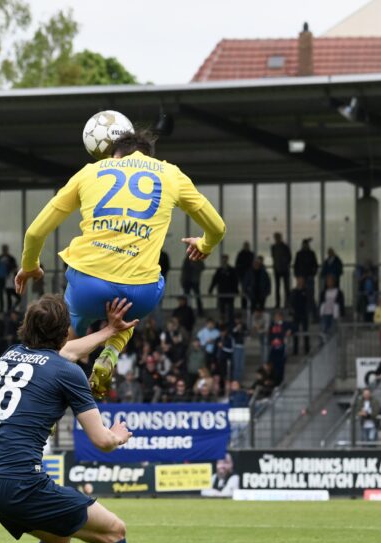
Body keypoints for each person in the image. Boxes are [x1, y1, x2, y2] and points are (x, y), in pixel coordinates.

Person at [0, 294, 160, 543]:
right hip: (20, 483)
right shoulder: (69, 373)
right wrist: (118, 435)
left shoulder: (10, 355)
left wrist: (109, 330)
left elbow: (65, 354)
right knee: (113, 531)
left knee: (58, 538)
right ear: (64, 331)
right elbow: (101, 441)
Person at [14, 129, 225, 399]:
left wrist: (30, 264)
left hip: (87, 285)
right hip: (140, 293)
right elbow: (218, 227)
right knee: (147, 283)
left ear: (114, 154)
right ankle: (110, 354)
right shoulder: (171, 174)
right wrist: (204, 245)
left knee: (67, 334)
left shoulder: (91, 172)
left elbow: (34, 233)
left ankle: (52, 397)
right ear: (148, 154)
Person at [208, 253, 238, 325]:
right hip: (221, 292)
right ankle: (222, 323)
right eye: (223, 259)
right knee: (222, 309)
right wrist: (210, 289)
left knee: (230, 308)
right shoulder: (219, 270)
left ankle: (231, 322)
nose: (224, 261)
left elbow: (235, 281)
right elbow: (214, 280)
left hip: (230, 292)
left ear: (227, 260)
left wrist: (236, 290)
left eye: (225, 259)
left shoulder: (231, 270)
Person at [270, 232, 292, 308]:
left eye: (277, 237)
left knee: (286, 288)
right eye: (276, 237)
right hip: (277, 269)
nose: (276, 239)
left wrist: (283, 263)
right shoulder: (273, 247)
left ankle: (287, 303)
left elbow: (289, 258)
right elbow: (273, 257)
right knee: (277, 288)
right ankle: (278, 304)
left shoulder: (285, 247)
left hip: (284, 269)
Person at [0, 245, 18, 313]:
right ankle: (1, 308)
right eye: (3, 249)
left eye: (5, 249)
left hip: (8, 279)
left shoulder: (10, 258)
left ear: (7, 249)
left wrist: (9, 265)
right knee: (0, 294)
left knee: (8, 294)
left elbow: (14, 267)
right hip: (0, 278)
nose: (4, 250)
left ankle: (9, 309)